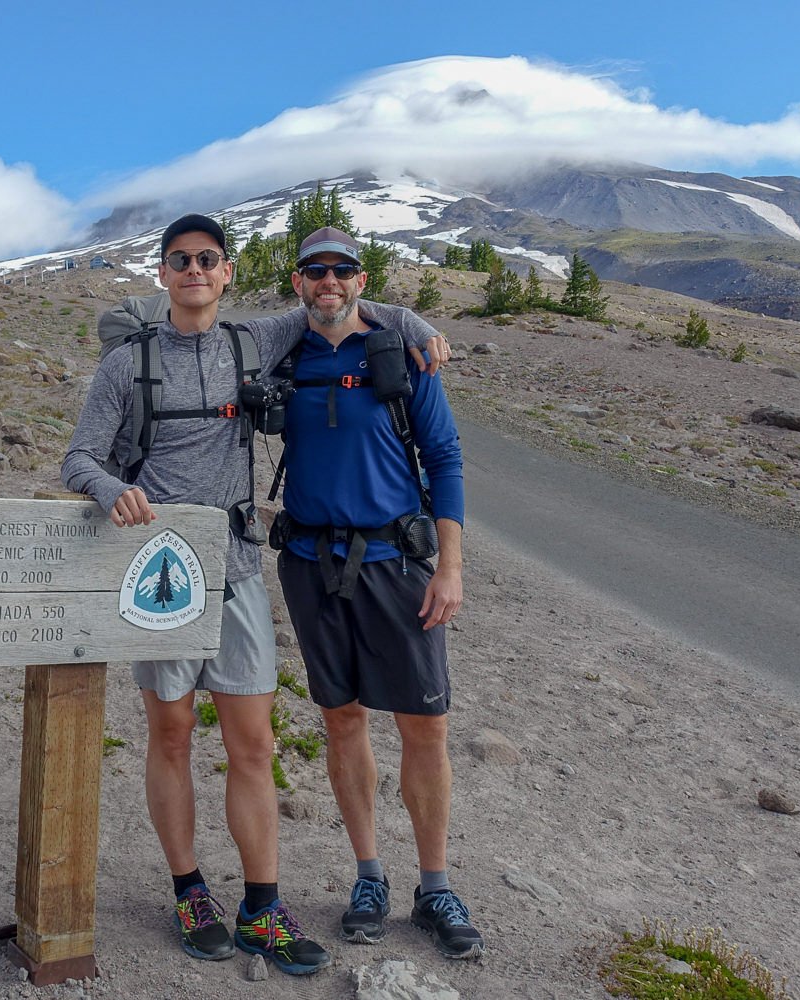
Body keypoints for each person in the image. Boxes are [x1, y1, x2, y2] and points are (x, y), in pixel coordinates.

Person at [60, 214, 449, 975]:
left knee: (254, 745)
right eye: (180, 260)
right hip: (159, 577)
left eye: (208, 259)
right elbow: (77, 457)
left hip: (235, 569)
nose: (195, 270)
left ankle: (262, 907)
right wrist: (111, 489)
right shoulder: (123, 366)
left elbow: (336, 309)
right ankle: (189, 889)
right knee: (171, 736)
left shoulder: (255, 340)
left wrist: (416, 321)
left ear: (228, 272)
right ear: (163, 271)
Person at [272, 227, 483, 959]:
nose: (328, 281)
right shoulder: (283, 354)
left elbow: (445, 456)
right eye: (314, 271)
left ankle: (434, 883)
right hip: (310, 560)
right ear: (296, 282)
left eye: (343, 270)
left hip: (397, 563)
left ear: (363, 279)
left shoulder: (402, 352)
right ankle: (369, 876)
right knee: (343, 720)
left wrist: (450, 568)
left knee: (425, 725)